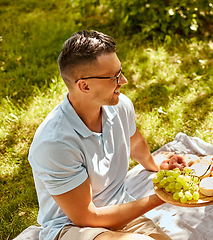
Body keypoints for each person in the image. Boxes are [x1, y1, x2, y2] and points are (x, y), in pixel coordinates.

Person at [28, 30, 172, 240]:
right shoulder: (54, 144)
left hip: (119, 209)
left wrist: (153, 164)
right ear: (84, 85)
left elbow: (135, 141)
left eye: (120, 71)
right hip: (72, 227)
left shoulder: (120, 106)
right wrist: (158, 199)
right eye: (114, 77)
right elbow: (87, 217)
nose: (124, 80)